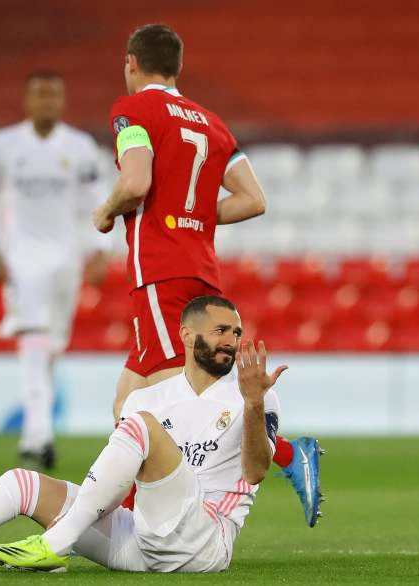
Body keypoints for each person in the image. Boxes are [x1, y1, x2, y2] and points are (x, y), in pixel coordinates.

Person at [0, 295, 288, 574]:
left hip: (204, 543)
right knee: (24, 483)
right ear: (187, 334)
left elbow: (255, 472)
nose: (232, 339)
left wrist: (252, 403)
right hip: (140, 542)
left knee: (141, 425)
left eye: (237, 332)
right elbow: (116, 485)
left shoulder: (256, 396)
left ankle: (57, 543)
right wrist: (77, 512)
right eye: (221, 330)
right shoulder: (148, 397)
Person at [92, 23, 322, 525]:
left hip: (160, 274)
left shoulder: (132, 110)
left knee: (175, 407)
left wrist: (106, 210)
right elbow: (253, 199)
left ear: (131, 62)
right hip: (198, 271)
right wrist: (190, 212)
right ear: (177, 67)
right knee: (127, 401)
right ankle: (123, 512)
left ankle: (283, 455)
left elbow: (135, 182)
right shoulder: (212, 123)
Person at [0, 70, 111, 471]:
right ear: (27, 100)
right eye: (40, 94)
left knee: (50, 347)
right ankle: (39, 434)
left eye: (54, 95)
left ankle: (38, 426)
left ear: (62, 101)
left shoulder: (80, 146)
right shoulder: (3, 144)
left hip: (67, 259)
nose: (47, 102)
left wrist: (100, 248)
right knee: (32, 339)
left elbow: (98, 196)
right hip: (22, 258)